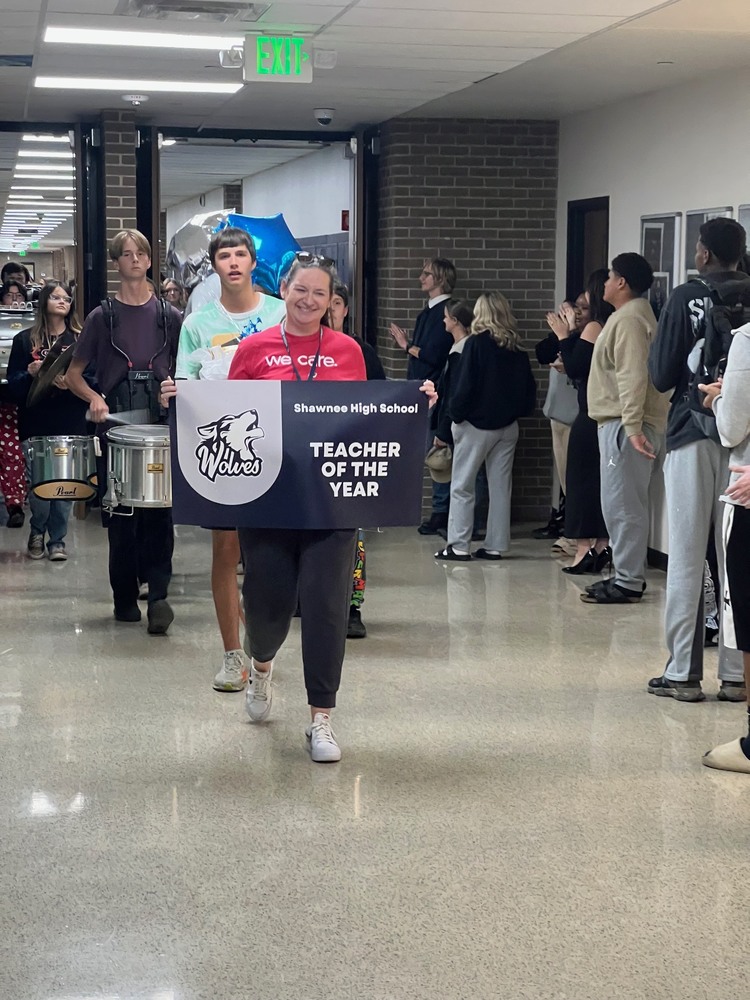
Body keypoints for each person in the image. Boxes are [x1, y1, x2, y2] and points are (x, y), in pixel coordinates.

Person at [170, 226, 286, 691]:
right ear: (215, 265)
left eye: (241, 254)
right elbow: (185, 380)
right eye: (225, 256)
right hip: (223, 451)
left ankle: (264, 649)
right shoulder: (198, 322)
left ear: (253, 262)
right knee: (225, 550)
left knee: (267, 555)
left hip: (277, 446)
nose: (234, 263)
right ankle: (232, 653)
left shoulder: (280, 313)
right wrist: (175, 393)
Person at [647, 218, 748, 701]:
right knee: (737, 562)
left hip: (691, 431)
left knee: (686, 555)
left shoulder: (687, 296)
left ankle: (682, 673)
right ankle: (736, 675)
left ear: (704, 253)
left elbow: (663, 374)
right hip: (743, 443)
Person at [66, 230, 182, 634]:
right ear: (116, 263)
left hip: (159, 421)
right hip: (116, 422)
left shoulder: (170, 316)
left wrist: (176, 388)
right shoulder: (103, 317)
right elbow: (73, 375)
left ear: (150, 261)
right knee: (121, 515)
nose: (134, 260)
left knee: (161, 513)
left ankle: (161, 595)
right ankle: (124, 597)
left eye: (141, 254)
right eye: (126, 255)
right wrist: (94, 397)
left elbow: (187, 370)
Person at [582, 253, 669, 604]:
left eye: (610, 277)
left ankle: (629, 581)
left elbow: (633, 376)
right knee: (621, 504)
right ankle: (625, 574)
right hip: (622, 421)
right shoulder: (629, 316)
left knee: (623, 505)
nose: (603, 283)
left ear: (622, 282)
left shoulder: (630, 320)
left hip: (626, 423)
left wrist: (632, 427)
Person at [435, 291, 536, 561]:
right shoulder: (516, 347)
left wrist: (455, 417)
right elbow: (529, 395)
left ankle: (458, 545)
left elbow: (464, 386)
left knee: (462, 485)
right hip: (508, 427)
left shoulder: (475, 345)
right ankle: (496, 546)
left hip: (476, 426)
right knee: (501, 487)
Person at [6, 282, 89, 560]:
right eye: (56, 297)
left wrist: (73, 384)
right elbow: (12, 388)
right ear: (43, 301)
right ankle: (37, 529)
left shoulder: (79, 340)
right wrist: (29, 373)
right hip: (36, 421)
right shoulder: (24, 340)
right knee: (39, 488)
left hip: (69, 421)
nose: (62, 301)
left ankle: (58, 540)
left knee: (64, 487)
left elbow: (94, 381)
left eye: (67, 298)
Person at [699, 321, 750, 771]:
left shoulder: (747, 339)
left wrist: (719, 399)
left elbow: (733, 429)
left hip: (747, 487)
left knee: (748, 615)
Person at [329, 280, 386, 639]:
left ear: (345, 309)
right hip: (305, 458)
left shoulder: (361, 352)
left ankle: (352, 606)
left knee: (353, 538)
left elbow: (383, 401)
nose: (330, 309)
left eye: (336, 302)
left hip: (347, 456)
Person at [548, 270, 613, 573]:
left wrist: (563, 334)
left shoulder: (597, 326)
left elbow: (576, 366)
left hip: (590, 413)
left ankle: (585, 548)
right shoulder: (612, 324)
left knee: (580, 482)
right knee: (597, 483)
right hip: (601, 410)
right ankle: (600, 546)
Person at [389, 258, 456, 536]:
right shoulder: (430, 311)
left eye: (427, 274)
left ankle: (441, 510)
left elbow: (432, 355)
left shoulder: (444, 312)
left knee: (436, 452)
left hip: (434, 390)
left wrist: (407, 346)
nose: (421, 278)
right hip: (425, 387)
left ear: (440, 278)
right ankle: (441, 508)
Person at [534, 296, 585, 545]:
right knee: (564, 477)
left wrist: (570, 333)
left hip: (576, 414)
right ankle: (569, 526)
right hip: (557, 413)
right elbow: (541, 353)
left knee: (573, 478)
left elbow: (576, 365)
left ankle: (576, 534)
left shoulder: (586, 335)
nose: (567, 317)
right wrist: (559, 333)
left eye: (574, 311)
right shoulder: (559, 337)